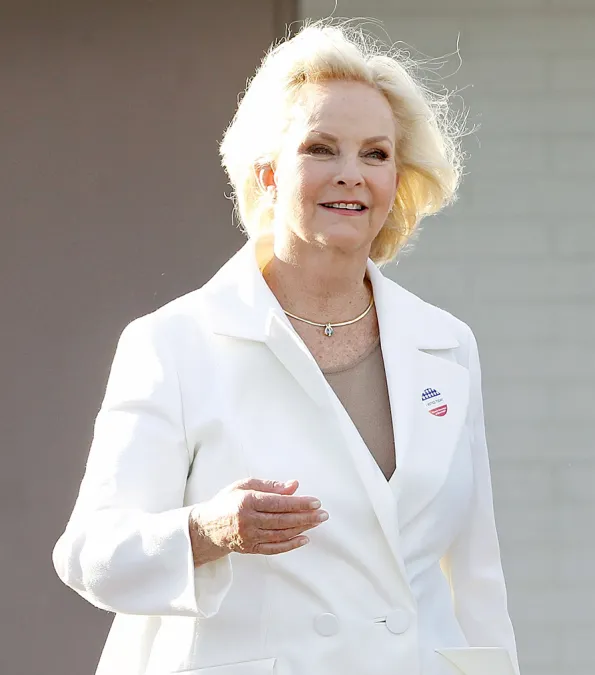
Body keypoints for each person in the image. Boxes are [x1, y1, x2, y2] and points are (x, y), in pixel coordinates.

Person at [53, 21, 519, 675]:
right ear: (269, 173)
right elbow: (89, 552)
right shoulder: (174, 342)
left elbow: (476, 575)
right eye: (322, 149)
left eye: (376, 154)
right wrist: (208, 530)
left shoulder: (446, 344)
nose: (352, 175)